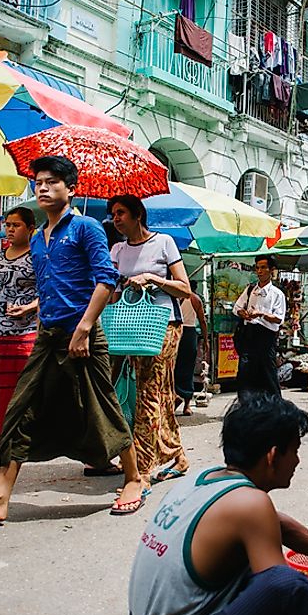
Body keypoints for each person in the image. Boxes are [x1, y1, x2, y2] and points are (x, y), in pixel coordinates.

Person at [128, 394, 308, 615]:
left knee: (289, 592)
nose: (297, 461)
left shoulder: (206, 481)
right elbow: (282, 593)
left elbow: (278, 524)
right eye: (295, 450)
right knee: (293, 591)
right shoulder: (252, 504)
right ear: (272, 456)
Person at [0, 156, 144, 524]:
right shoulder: (38, 238)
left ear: (71, 189)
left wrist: (85, 328)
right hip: (47, 336)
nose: (43, 188)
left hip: (82, 334)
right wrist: (31, 307)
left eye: (52, 182)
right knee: (20, 409)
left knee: (102, 408)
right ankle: (1, 494)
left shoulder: (86, 228)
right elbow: (53, 284)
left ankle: (134, 478)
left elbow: (105, 279)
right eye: (38, 182)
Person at [110, 194, 192, 484]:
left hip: (164, 325)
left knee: (148, 393)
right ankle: (177, 456)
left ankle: (143, 468)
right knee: (158, 393)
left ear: (137, 215)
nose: (116, 218)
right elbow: (112, 292)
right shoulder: (117, 250)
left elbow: (185, 289)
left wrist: (153, 279)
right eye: (113, 213)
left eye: (121, 213)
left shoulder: (164, 242)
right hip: (131, 327)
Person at [0, 206, 38, 437]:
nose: (11, 229)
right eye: (8, 225)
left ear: (30, 228)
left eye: (16, 225)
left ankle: (18, 432)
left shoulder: (37, 255)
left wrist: (29, 307)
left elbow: (47, 290)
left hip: (24, 329)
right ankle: (0, 429)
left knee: (19, 382)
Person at [232, 255, 286, 399]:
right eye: (257, 268)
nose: (260, 271)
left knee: (268, 373)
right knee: (245, 373)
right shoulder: (250, 290)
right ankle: (246, 405)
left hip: (266, 338)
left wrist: (261, 314)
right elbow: (236, 307)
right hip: (249, 336)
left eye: (263, 267)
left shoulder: (277, 294)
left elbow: (279, 319)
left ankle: (276, 405)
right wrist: (242, 313)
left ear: (271, 270)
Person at [175, 279, 209, 415]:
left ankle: (180, 398)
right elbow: (202, 321)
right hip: (189, 333)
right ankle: (186, 404)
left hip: (179, 331)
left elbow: (202, 320)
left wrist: (206, 339)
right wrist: (205, 339)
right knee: (187, 367)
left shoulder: (179, 297)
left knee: (176, 367)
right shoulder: (196, 299)